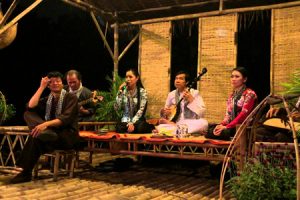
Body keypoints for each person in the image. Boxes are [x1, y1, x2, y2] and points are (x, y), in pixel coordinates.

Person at [10, 71, 79, 184]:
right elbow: (31, 106)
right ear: (48, 85)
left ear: (62, 83)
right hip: (51, 135)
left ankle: (25, 172)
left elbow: (64, 119)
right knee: (28, 114)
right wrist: (41, 87)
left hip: (66, 136)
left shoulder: (70, 97)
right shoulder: (48, 99)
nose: (55, 83)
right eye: (51, 82)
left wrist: (45, 125)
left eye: (58, 81)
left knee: (36, 136)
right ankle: (26, 172)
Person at [205, 67, 257, 140]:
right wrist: (221, 125)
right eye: (232, 76)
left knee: (223, 132)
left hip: (242, 126)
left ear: (244, 79)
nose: (233, 79)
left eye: (237, 76)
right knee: (211, 130)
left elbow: (243, 115)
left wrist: (227, 126)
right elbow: (228, 115)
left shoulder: (250, 94)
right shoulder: (232, 96)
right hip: (231, 126)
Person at [157, 70, 208, 134]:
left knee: (204, 123)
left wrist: (191, 100)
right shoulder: (171, 94)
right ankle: (178, 128)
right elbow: (165, 113)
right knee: (161, 125)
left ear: (187, 82)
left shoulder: (194, 93)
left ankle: (176, 128)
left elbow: (202, 113)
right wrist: (165, 112)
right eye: (176, 78)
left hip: (191, 122)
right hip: (177, 122)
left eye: (181, 79)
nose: (177, 81)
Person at [114, 68, 154, 133]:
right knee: (119, 127)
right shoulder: (123, 92)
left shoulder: (142, 92)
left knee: (140, 127)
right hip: (126, 121)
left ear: (137, 78)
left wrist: (132, 123)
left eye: (130, 77)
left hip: (137, 121)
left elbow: (141, 110)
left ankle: (149, 127)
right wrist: (119, 92)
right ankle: (131, 130)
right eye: (126, 77)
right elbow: (116, 108)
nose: (128, 79)